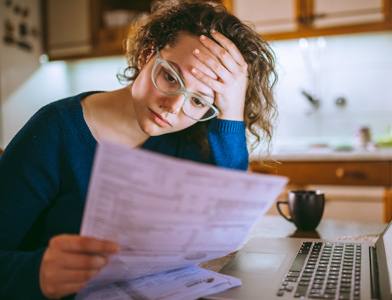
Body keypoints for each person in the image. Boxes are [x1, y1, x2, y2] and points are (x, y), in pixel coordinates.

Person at [0, 1, 277, 299]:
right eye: (170, 76)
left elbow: (228, 221)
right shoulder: (55, 130)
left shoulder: (190, 139)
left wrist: (231, 109)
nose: (173, 107)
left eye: (198, 101)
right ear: (147, 53)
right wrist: (38, 272)